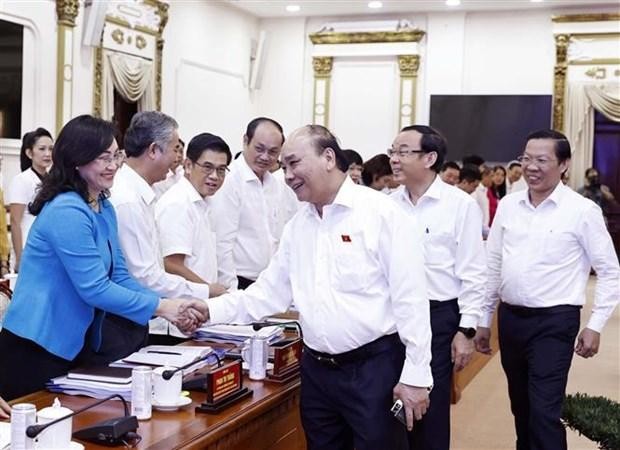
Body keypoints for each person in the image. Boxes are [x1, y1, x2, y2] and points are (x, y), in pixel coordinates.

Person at [207, 124, 432, 450]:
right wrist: (207, 310)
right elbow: (267, 293)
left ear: (328, 157)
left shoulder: (382, 214)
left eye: (294, 163)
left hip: (374, 371)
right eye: (283, 167)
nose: (287, 175)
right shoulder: (298, 226)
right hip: (316, 373)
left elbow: (411, 299)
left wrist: (416, 375)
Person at [0, 115, 207, 400]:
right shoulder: (67, 211)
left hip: (72, 343)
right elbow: (95, 288)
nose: (113, 166)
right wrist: (163, 307)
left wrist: (172, 305)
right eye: (102, 158)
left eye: (115, 156)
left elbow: (119, 275)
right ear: (77, 159)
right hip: (34, 344)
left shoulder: (103, 206)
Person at [475, 129, 620, 450]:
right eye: (527, 159)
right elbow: (493, 264)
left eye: (542, 160)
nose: (531, 166)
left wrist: (595, 325)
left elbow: (610, 271)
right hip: (511, 319)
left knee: (543, 411)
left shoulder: (582, 211)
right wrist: (484, 320)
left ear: (564, 165)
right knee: (521, 408)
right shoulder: (510, 206)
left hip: (555, 322)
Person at [389, 125, 486, 450]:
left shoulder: (459, 206)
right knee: (390, 409)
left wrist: (466, 330)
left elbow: (473, 273)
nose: (394, 159)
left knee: (429, 409)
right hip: (390, 318)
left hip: (438, 318)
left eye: (403, 152)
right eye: (392, 151)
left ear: (430, 157)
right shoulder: (386, 205)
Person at [110, 111, 224, 346]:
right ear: (153, 150)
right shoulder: (128, 200)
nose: (177, 159)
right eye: (175, 149)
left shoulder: (141, 194)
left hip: (149, 311)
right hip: (128, 319)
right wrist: (205, 293)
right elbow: (144, 276)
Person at [211, 117, 289, 290]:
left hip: (268, 282)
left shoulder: (275, 184)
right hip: (239, 282)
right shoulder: (230, 181)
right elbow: (223, 242)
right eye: (259, 149)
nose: (265, 157)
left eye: (273, 152)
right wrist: (230, 290)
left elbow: (277, 236)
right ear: (245, 141)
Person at [155, 133, 231, 288]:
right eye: (208, 168)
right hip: (184, 303)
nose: (215, 176)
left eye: (221, 170)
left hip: (200, 300)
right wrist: (210, 291)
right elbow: (171, 265)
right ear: (188, 165)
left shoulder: (204, 201)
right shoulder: (178, 203)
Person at [6, 127, 53, 271]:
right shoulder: (21, 180)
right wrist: (20, 258)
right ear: (29, 153)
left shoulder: (53, 180)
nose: (47, 154)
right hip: (28, 246)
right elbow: (15, 222)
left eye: (51, 149)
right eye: (42, 149)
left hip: (48, 247)